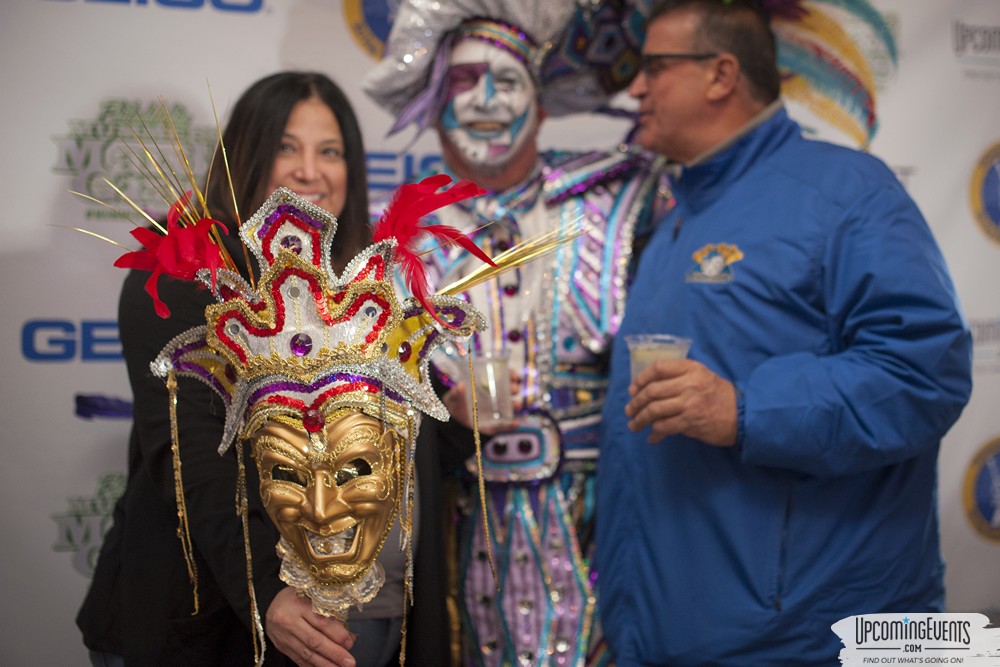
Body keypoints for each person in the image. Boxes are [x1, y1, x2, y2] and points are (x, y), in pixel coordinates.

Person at [594, 1, 974, 665]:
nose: (637, 89)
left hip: (806, 641)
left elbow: (924, 373)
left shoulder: (847, 192)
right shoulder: (674, 220)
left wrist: (745, 408)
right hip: (665, 634)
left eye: (654, 67)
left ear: (721, 75)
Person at [363, 3, 666, 664]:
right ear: (434, 103)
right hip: (458, 531)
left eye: (508, 81)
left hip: (602, 526)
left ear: (542, 103)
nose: (487, 100)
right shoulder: (393, 244)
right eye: (465, 81)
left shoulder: (619, 199)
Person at [77, 71, 370, 667]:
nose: (308, 171)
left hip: (317, 624)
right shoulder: (182, 274)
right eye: (286, 146)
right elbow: (189, 453)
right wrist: (266, 587)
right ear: (245, 158)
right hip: (190, 620)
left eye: (330, 152)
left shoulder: (359, 292)